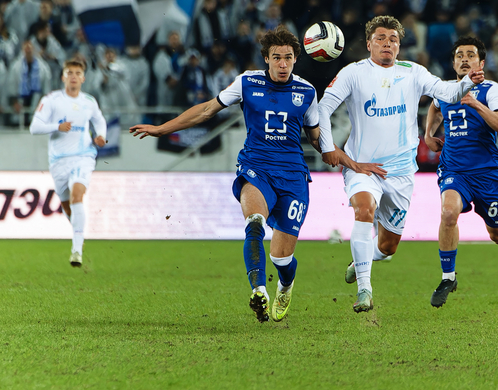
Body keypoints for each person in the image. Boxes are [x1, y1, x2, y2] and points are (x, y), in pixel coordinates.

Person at [130, 27, 382, 323]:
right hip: (256, 167)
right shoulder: (247, 82)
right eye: (277, 58)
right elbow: (207, 111)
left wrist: (350, 162)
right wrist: (162, 129)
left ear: (295, 59)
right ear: (266, 58)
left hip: (292, 177)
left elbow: (319, 141)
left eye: (288, 58)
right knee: (254, 222)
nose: (283, 64)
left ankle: (285, 285)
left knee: (281, 258)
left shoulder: (306, 92)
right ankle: (259, 290)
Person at [318, 15, 484, 313]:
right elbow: (323, 108)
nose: (387, 44)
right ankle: (364, 290)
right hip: (363, 167)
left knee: (388, 246)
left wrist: (465, 83)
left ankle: (362, 260)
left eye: (393, 39)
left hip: (401, 172)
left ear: (399, 45)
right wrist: (330, 148)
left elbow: (445, 92)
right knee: (364, 211)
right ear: (369, 43)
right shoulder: (352, 73)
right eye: (381, 38)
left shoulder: (412, 72)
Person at [423, 37, 498, 308]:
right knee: (448, 213)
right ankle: (448, 276)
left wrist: (477, 105)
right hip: (455, 169)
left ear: (481, 62)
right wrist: (429, 133)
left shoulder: (491, 90)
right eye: (459, 55)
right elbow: (434, 105)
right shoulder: (445, 89)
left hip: (487, 173)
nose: (464, 59)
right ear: (454, 62)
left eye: (470, 55)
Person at [29, 60, 107, 267]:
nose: (73, 76)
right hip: (58, 161)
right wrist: (57, 126)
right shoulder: (52, 100)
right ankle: (78, 234)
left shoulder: (89, 101)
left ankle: (76, 251)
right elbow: (34, 127)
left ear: (83, 78)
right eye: (69, 72)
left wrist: (101, 136)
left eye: (78, 73)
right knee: (67, 204)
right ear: (63, 77)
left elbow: (99, 121)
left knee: (77, 194)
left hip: (83, 156)